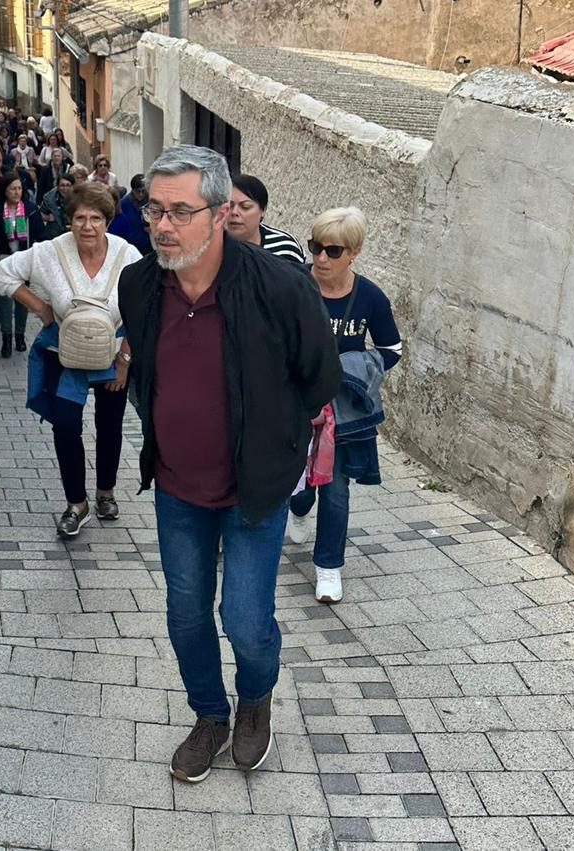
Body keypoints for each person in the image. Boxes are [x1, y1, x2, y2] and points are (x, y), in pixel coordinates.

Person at [118, 146, 341, 784]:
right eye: (154, 210)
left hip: (255, 493)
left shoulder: (278, 285)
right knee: (185, 614)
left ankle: (254, 703)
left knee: (244, 619)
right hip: (177, 490)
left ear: (220, 214)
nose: (162, 225)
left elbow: (318, 377)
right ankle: (210, 715)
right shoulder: (140, 285)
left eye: (180, 212)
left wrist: (275, 444)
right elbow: (147, 375)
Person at [0, 182, 142, 535]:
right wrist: (42, 308)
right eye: (79, 218)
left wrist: (125, 359)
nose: (87, 226)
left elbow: (146, 306)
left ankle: (105, 491)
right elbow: (3, 273)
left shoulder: (128, 255)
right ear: (68, 220)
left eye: (95, 218)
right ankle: (77, 503)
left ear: (107, 220)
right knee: (65, 425)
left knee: (109, 426)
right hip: (65, 353)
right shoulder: (49, 252)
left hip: (113, 353)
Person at [288, 207, 402, 604]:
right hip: (291, 401)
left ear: (354, 252)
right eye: (316, 247)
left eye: (332, 251)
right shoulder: (294, 283)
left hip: (340, 412)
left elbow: (392, 348)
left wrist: (353, 372)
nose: (321, 258)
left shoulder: (369, 297)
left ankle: (329, 568)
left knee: (334, 488)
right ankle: (298, 508)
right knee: (296, 481)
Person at [0, 172, 45, 358]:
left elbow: (40, 235)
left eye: (19, 188)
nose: (17, 192)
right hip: (3, 260)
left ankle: (20, 336)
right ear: (5, 190)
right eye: (13, 189)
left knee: (23, 299)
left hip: (24, 260)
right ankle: (6, 338)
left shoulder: (31, 210)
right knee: (4, 299)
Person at [225, 174, 305, 264]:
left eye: (245, 207)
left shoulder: (284, 246)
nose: (234, 212)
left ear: (263, 210)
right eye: (229, 206)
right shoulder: (211, 246)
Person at [108, 173, 152, 253]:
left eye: (143, 191)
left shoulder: (151, 202)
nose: (141, 194)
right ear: (133, 190)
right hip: (132, 245)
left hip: (149, 245)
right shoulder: (124, 203)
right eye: (138, 191)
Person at [40, 173, 76, 239]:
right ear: (58, 186)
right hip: (55, 235)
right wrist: (48, 218)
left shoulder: (79, 197)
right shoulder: (49, 198)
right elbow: (40, 214)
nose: (65, 189)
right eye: (62, 185)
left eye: (68, 185)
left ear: (73, 186)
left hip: (74, 233)